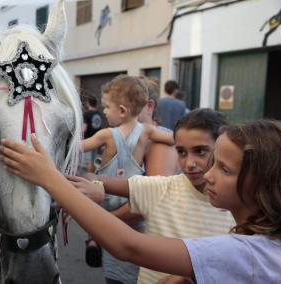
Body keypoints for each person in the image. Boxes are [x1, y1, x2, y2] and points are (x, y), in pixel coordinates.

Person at [0, 119, 281, 284]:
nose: (207, 175)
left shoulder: (247, 253)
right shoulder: (268, 248)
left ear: (264, 183)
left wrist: (50, 179)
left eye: (224, 169)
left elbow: (129, 246)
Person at [73, 109, 235, 283]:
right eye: (181, 152)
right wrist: (96, 186)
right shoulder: (162, 187)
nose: (190, 163)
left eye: (200, 151)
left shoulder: (239, 207)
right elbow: (95, 179)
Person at [81, 75, 174, 284]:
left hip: (112, 201)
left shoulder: (110, 134)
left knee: (95, 201)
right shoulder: (147, 132)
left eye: (107, 107)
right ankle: (95, 239)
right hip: (127, 202)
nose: (104, 111)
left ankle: (94, 238)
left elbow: (79, 146)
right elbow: (176, 138)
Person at [82, 96, 104, 172]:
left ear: (88, 103)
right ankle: (94, 176)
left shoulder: (87, 114)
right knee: (94, 160)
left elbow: (83, 128)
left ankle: (89, 178)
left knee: (88, 161)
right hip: (97, 140)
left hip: (88, 140)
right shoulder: (99, 113)